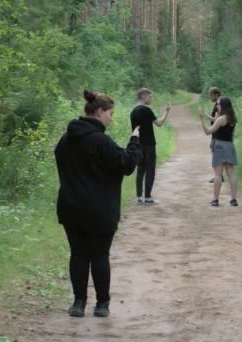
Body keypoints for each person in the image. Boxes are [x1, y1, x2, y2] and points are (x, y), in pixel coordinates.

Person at [55, 90, 143, 318]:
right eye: (110, 113)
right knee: (100, 255)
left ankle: (78, 303)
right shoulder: (100, 141)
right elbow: (125, 165)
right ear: (99, 111)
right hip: (100, 210)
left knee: (78, 255)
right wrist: (134, 141)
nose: (111, 118)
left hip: (71, 208)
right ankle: (102, 305)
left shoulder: (65, 141)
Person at [130, 88, 171, 205]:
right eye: (149, 96)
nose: (151, 98)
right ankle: (147, 198)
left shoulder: (133, 111)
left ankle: (139, 197)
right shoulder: (146, 110)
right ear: (144, 96)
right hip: (148, 145)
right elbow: (159, 123)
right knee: (150, 170)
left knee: (140, 170)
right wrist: (167, 112)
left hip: (137, 144)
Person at [199, 96, 239, 207]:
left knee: (217, 174)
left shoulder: (221, 119)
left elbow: (208, 131)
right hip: (230, 145)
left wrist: (201, 119)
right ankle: (233, 199)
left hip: (220, 146)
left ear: (223, 106)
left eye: (218, 104)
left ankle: (216, 200)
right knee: (231, 173)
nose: (217, 106)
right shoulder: (233, 118)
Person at [199, 87, 225, 184]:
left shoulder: (219, 104)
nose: (210, 97)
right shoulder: (218, 104)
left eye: (211, 95)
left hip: (217, 134)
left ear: (216, 94)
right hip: (216, 134)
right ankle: (219, 176)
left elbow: (215, 119)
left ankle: (218, 176)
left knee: (216, 156)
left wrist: (204, 114)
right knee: (216, 155)